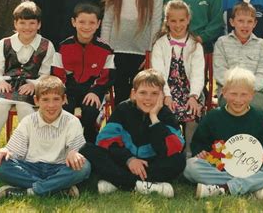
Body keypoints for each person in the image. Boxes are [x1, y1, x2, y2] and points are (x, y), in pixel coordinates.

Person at [183, 67, 263, 199]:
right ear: (224, 93)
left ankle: (224, 188)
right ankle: (251, 187)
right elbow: (198, 144)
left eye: (244, 94)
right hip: (220, 169)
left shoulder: (261, 119)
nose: (238, 100)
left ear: (252, 95)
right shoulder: (213, 117)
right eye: (233, 94)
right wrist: (202, 153)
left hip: (252, 169)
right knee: (190, 166)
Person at [79, 69, 185, 197]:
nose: (148, 98)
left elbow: (172, 148)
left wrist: (154, 119)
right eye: (143, 93)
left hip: (151, 164)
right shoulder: (123, 109)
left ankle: (118, 183)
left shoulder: (166, 114)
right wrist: (129, 159)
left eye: (154, 93)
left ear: (161, 95)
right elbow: (105, 140)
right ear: (133, 94)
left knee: (179, 160)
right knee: (88, 149)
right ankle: (143, 186)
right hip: (124, 162)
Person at [0, 75, 91, 199]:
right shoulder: (28, 121)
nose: (51, 105)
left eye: (56, 99)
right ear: (36, 100)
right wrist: (4, 150)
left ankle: (28, 192)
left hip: (59, 168)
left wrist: (73, 153)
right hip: (30, 167)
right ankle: (57, 188)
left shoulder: (72, 121)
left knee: (84, 167)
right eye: (45, 100)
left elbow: (76, 154)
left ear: (64, 99)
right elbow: (14, 150)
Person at [0, 1, 55, 160]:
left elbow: (46, 72)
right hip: (7, 84)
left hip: (30, 86)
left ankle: (25, 148)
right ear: (15, 24)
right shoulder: (5, 43)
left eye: (32, 23)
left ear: (39, 25)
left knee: (24, 106)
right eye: (22, 23)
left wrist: (35, 84)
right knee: (0, 104)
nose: (27, 27)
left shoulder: (46, 45)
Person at [101, 0, 163, 105]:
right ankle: (120, 129)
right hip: (117, 50)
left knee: (141, 97)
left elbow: (156, 22)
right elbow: (107, 21)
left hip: (141, 52)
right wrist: (106, 50)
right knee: (120, 96)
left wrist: (150, 52)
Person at [52, 3, 115, 143]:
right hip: (68, 89)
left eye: (92, 22)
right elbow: (57, 72)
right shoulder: (63, 46)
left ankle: (89, 143)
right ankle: (65, 143)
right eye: (81, 22)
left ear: (98, 24)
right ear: (74, 22)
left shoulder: (106, 49)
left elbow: (108, 75)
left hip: (92, 90)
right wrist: (61, 91)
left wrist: (96, 91)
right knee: (64, 108)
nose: (86, 27)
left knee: (90, 110)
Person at [151, 0, 205, 158]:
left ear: (188, 19)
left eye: (182, 20)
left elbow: (197, 74)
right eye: (173, 20)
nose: (178, 24)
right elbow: (158, 73)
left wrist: (194, 96)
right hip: (166, 89)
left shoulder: (195, 45)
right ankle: (171, 150)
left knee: (192, 112)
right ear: (167, 21)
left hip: (189, 90)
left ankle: (189, 151)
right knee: (167, 111)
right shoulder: (160, 44)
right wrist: (166, 95)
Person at [214, 3, 263, 111]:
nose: (245, 25)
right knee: (231, 104)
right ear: (232, 22)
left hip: (254, 92)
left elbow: (262, 75)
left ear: (255, 23)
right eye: (240, 21)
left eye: (249, 21)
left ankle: (252, 128)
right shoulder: (222, 43)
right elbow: (220, 72)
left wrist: (246, 90)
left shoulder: (261, 45)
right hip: (228, 91)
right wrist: (236, 90)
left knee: (256, 106)